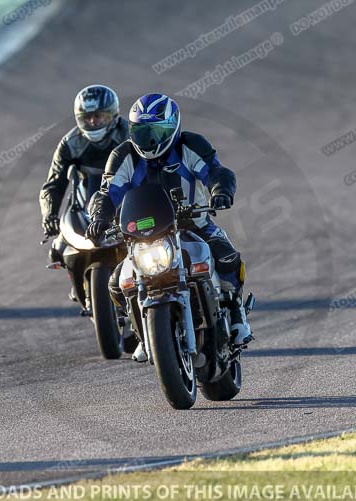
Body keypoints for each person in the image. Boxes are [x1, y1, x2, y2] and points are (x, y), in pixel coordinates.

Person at [86, 93, 252, 360]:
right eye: (142, 131)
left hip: (194, 224)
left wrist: (220, 190)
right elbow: (107, 193)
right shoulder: (123, 156)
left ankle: (236, 315)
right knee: (116, 283)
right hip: (142, 236)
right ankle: (142, 332)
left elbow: (216, 171)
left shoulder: (191, 145)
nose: (149, 139)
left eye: (157, 131)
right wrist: (99, 218)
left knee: (226, 256)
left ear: (173, 126)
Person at [39, 85, 128, 238]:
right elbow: (54, 184)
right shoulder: (69, 144)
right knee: (59, 248)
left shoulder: (130, 134)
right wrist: (49, 215)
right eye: (87, 117)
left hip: (129, 202)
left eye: (98, 116)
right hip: (84, 207)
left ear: (113, 115)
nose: (93, 122)